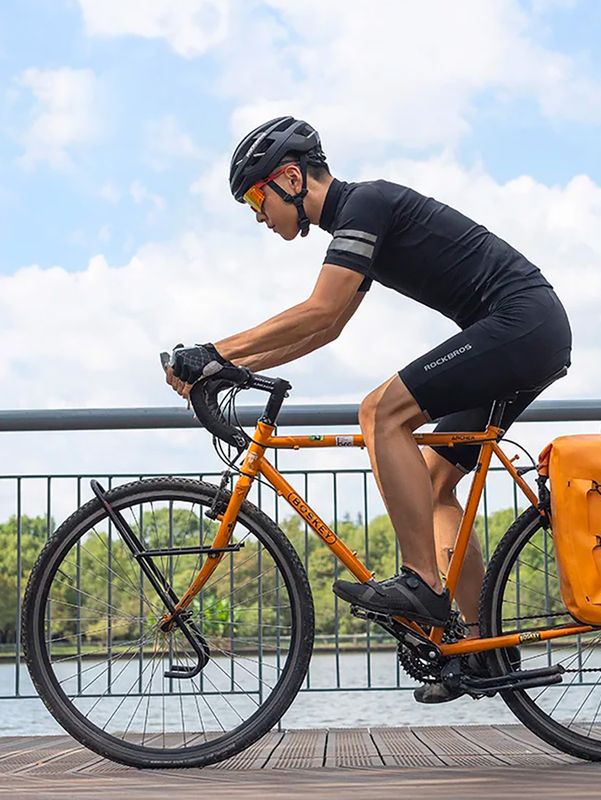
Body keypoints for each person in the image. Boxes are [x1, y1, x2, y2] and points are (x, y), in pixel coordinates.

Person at [166, 116, 572, 703]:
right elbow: (326, 327)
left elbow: (317, 309)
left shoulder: (365, 205)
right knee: (433, 484)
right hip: (526, 330)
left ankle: (423, 583)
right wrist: (226, 364)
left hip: (521, 323)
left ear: (290, 178)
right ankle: (483, 647)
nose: (258, 215)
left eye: (256, 198)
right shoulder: (359, 222)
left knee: (381, 412)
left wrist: (215, 351)